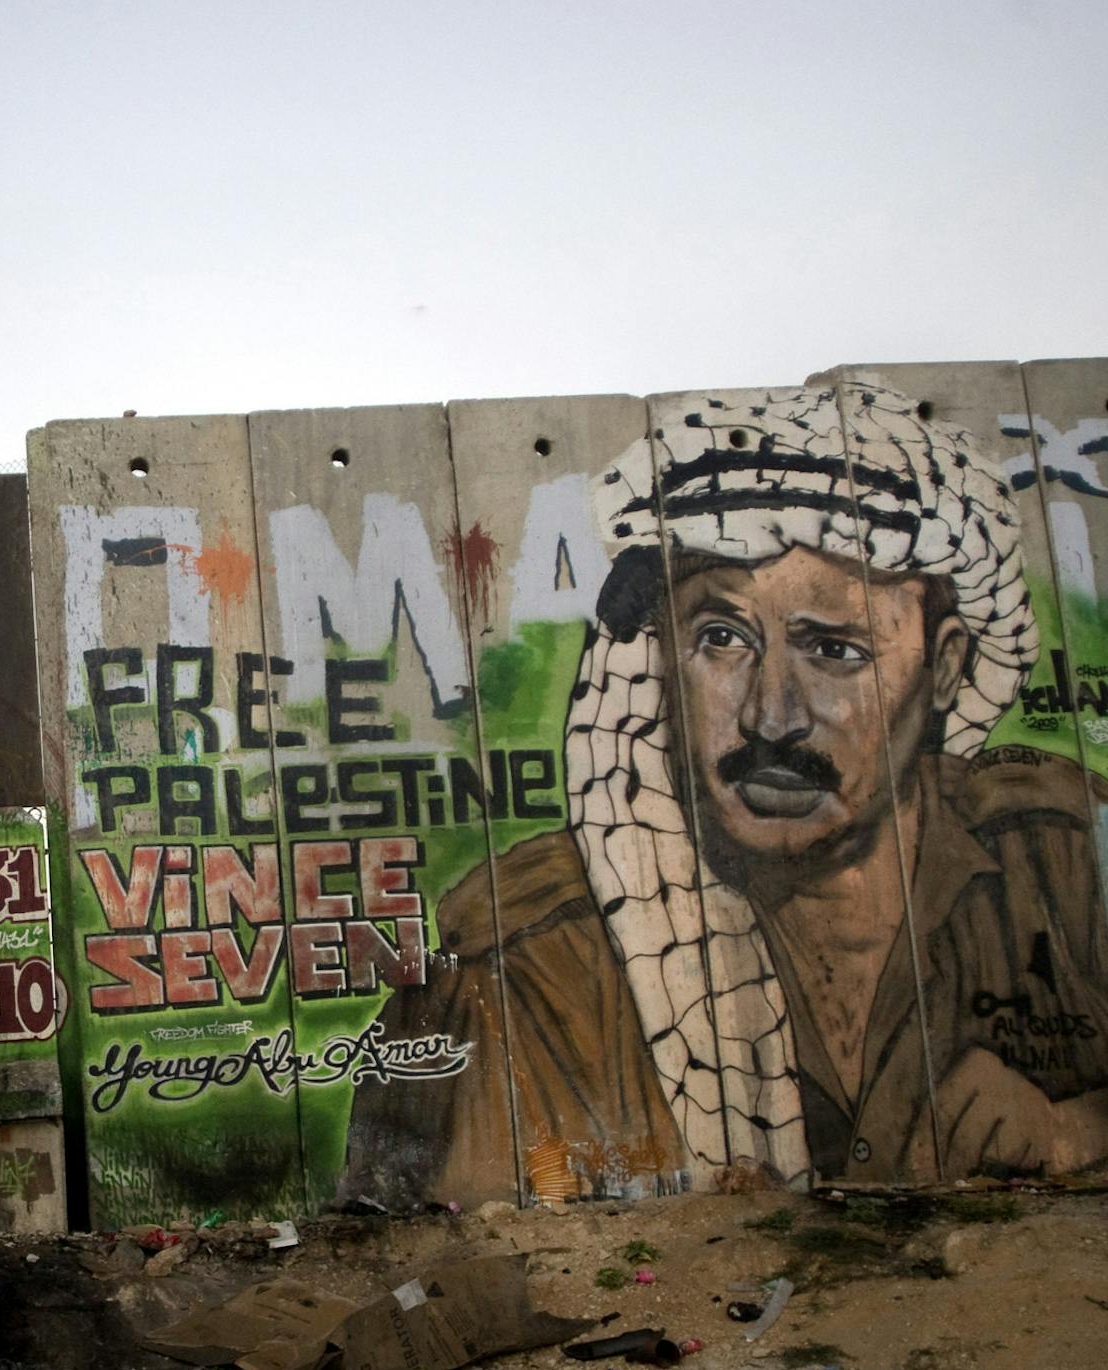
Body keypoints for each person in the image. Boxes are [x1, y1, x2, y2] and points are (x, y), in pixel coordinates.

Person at [337, 382, 1108, 1208]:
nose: (770, 716)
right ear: (661, 655)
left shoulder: (1066, 855)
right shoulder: (525, 970)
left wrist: (1081, 1128)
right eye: (722, 639)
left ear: (948, 666)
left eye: (835, 650)